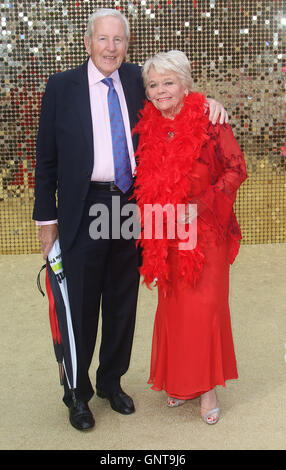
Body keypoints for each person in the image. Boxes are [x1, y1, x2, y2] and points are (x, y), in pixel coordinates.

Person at [33, 9, 229, 431]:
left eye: (118, 40)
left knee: (122, 299)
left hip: (132, 205)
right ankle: (77, 393)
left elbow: (177, 95)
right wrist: (45, 222)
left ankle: (110, 382)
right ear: (88, 43)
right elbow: (45, 160)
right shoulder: (61, 86)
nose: (110, 48)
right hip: (83, 207)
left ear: (127, 44)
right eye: (103, 39)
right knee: (81, 305)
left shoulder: (138, 79)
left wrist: (211, 103)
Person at [133, 50, 247, 425]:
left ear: (185, 84)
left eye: (169, 82)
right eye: (153, 84)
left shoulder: (210, 119)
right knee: (175, 308)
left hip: (207, 229)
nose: (161, 90)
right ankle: (178, 381)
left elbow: (236, 168)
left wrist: (202, 203)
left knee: (204, 309)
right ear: (146, 92)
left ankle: (208, 388)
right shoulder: (147, 122)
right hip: (166, 230)